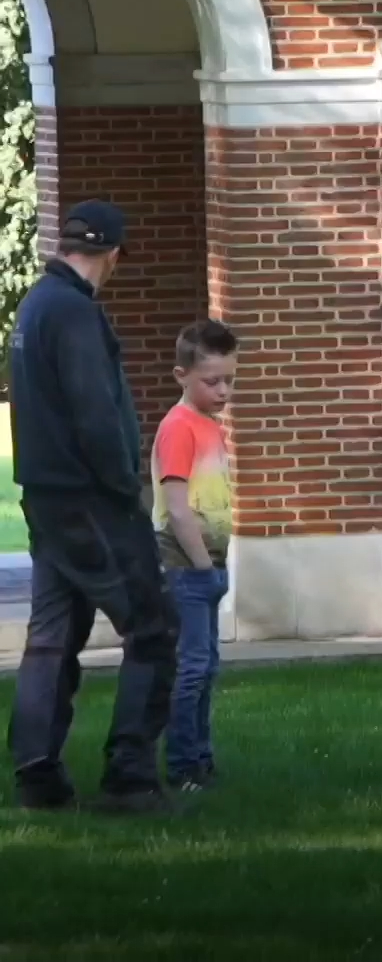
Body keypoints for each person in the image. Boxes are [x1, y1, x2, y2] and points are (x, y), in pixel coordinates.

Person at [7, 199, 180, 814]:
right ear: (112, 253)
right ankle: (130, 778)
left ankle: (37, 774)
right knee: (154, 627)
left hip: (46, 499)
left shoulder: (33, 307)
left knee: (53, 636)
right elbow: (95, 414)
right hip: (92, 502)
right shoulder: (76, 314)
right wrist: (124, 488)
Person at [153, 318, 239, 793]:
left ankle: (202, 760)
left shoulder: (210, 427)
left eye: (229, 379)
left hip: (206, 565)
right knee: (190, 669)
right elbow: (178, 509)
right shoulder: (179, 428)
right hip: (185, 567)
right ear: (181, 375)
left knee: (206, 667)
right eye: (212, 381)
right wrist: (205, 568)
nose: (223, 390)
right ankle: (184, 766)